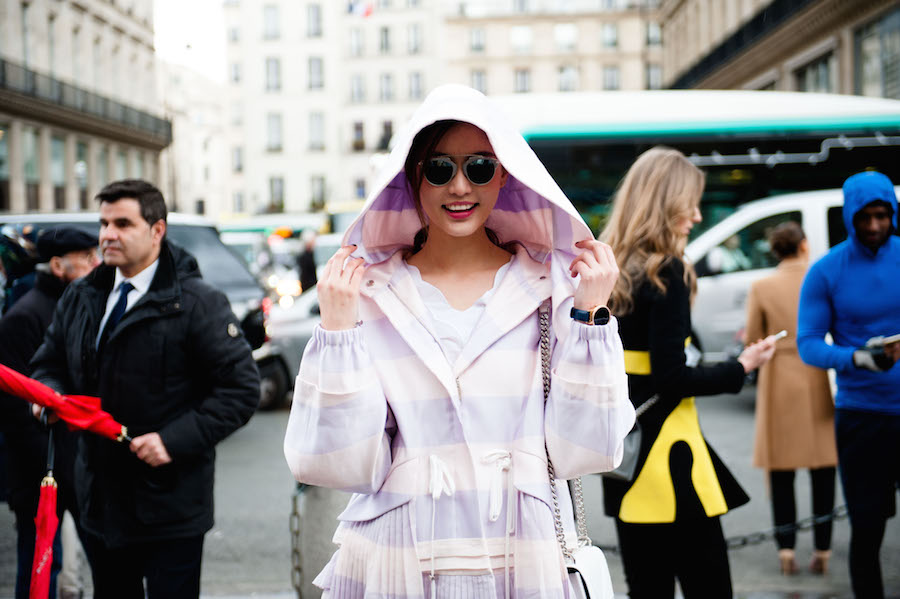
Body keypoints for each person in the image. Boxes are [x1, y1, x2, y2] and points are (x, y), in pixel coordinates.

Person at [283, 84, 635, 598]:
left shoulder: (554, 287)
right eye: (440, 168)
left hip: (523, 556)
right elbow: (343, 463)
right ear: (411, 178)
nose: (460, 186)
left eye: (480, 166)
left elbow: (586, 449)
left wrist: (590, 316)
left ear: (506, 176)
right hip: (398, 559)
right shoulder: (368, 292)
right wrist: (338, 332)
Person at [29, 179, 261, 599]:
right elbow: (48, 361)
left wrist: (171, 441)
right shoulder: (82, 295)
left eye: (122, 223)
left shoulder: (198, 302)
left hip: (170, 506)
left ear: (157, 231)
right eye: (103, 224)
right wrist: (48, 396)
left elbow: (241, 390)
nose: (107, 235)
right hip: (99, 502)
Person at [599, 147, 776, 599]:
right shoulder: (668, 271)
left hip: (627, 457)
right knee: (709, 587)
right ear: (665, 203)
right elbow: (672, 379)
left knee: (647, 589)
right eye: (690, 203)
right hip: (672, 462)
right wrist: (741, 366)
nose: (697, 215)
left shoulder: (609, 271)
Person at [797, 170, 900, 599]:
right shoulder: (826, 271)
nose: (874, 226)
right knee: (867, 528)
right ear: (850, 218)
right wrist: (854, 358)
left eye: (882, 216)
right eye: (865, 217)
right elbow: (807, 344)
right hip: (863, 416)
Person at [0, 226, 100, 599]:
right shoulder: (24, 317)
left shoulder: (80, 306)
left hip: (79, 464)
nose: (96, 265)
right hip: (42, 472)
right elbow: (13, 406)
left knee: (102, 557)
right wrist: (56, 462)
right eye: (87, 259)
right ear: (58, 265)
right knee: (41, 562)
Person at [744, 221, 837, 576]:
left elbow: (753, 337)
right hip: (815, 370)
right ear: (803, 246)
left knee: (781, 470)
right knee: (823, 466)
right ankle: (823, 550)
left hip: (778, 376)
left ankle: (786, 552)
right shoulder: (820, 277)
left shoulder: (762, 286)